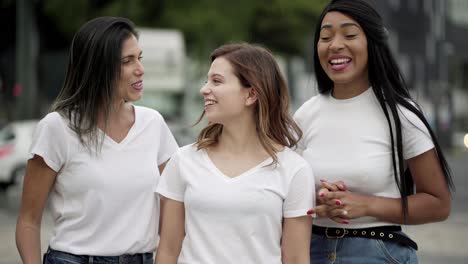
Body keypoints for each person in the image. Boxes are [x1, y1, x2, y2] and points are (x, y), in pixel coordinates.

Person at [294, 0, 454, 263]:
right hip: (311, 251)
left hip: (377, 252)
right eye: (325, 37)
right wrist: (321, 199)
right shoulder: (304, 115)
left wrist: (365, 205)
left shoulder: (401, 114)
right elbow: (285, 191)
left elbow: (438, 203)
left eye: (349, 34)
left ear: (372, 42)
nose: (335, 44)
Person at [15, 16, 178, 264]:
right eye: (127, 61)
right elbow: (28, 220)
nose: (140, 69)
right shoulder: (57, 128)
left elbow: (175, 207)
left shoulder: (153, 124)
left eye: (140, 58)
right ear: (97, 67)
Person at [155, 43, 315, 264]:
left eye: (217, 81)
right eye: (206, 80)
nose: (204, 89)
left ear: (250, 95)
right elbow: (167, 252)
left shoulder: (295, 170)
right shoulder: (183, 161)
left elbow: (296, 258)